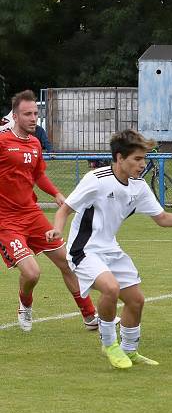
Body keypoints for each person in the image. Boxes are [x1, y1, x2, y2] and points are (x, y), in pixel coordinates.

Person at [45, 129, 172, 369]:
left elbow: (162, 218)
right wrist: (58, 230)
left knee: (136, 300)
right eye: (137, 159)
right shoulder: (96, 179)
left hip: (110, 249)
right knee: (111, 288)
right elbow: (65, 209)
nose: (142, 165)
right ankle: (109, 343)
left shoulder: (139, 187)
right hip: (83, 250)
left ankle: (129, 350)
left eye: (144, 159)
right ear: (119, 158)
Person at [0, 90, 98, 332]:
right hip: (6, 220)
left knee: (67, 262)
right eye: (27, 114)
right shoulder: (2, 142)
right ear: (15, 116)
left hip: (32, 215)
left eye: (35, 113)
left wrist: (56, 194)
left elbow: (38, 175)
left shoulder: (35, 143)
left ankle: (89, 315)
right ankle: (25, 303)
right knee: (32, 273)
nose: (33, 118)